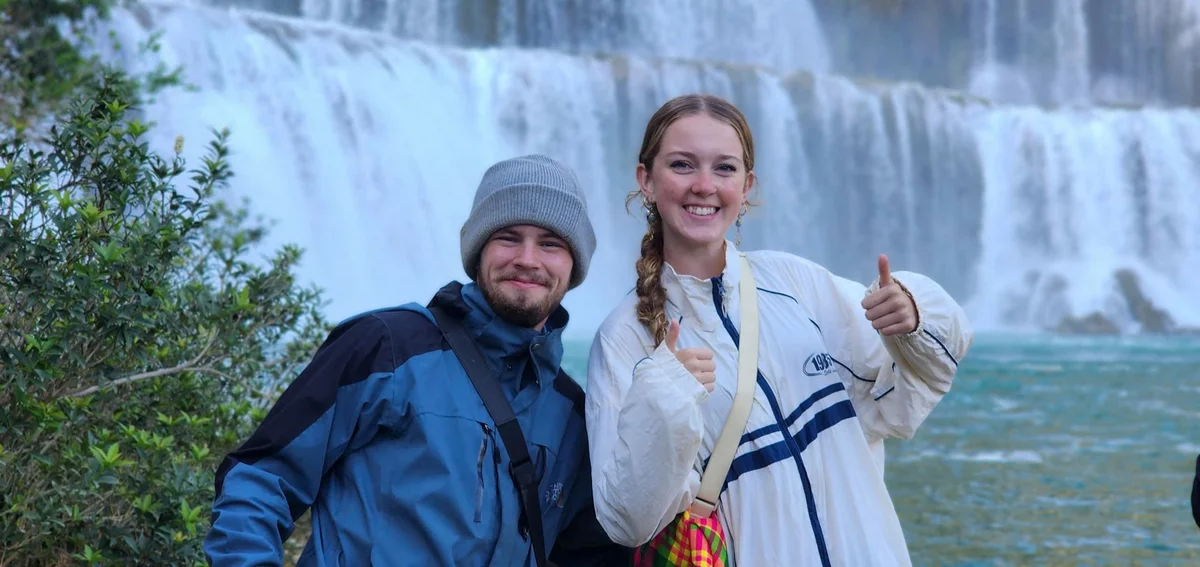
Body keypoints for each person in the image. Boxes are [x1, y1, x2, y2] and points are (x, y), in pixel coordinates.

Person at [585, 94, 974, 566]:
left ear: (747, 185)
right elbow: (627, 520)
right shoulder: (623, 340)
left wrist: (914, 315)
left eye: (724, 169)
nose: (704, 186)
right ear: (646, 180)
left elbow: (900, 403)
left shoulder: (795, 283)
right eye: (682, 165)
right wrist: (661, 401)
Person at [204, 154, 633, 567]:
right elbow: (259, 482)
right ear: (478, 249)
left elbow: (593, 553)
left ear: (574, 264)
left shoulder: (572, 413)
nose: (527, 258)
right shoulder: (385, 349)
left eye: (550, 243)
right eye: (508, 237)